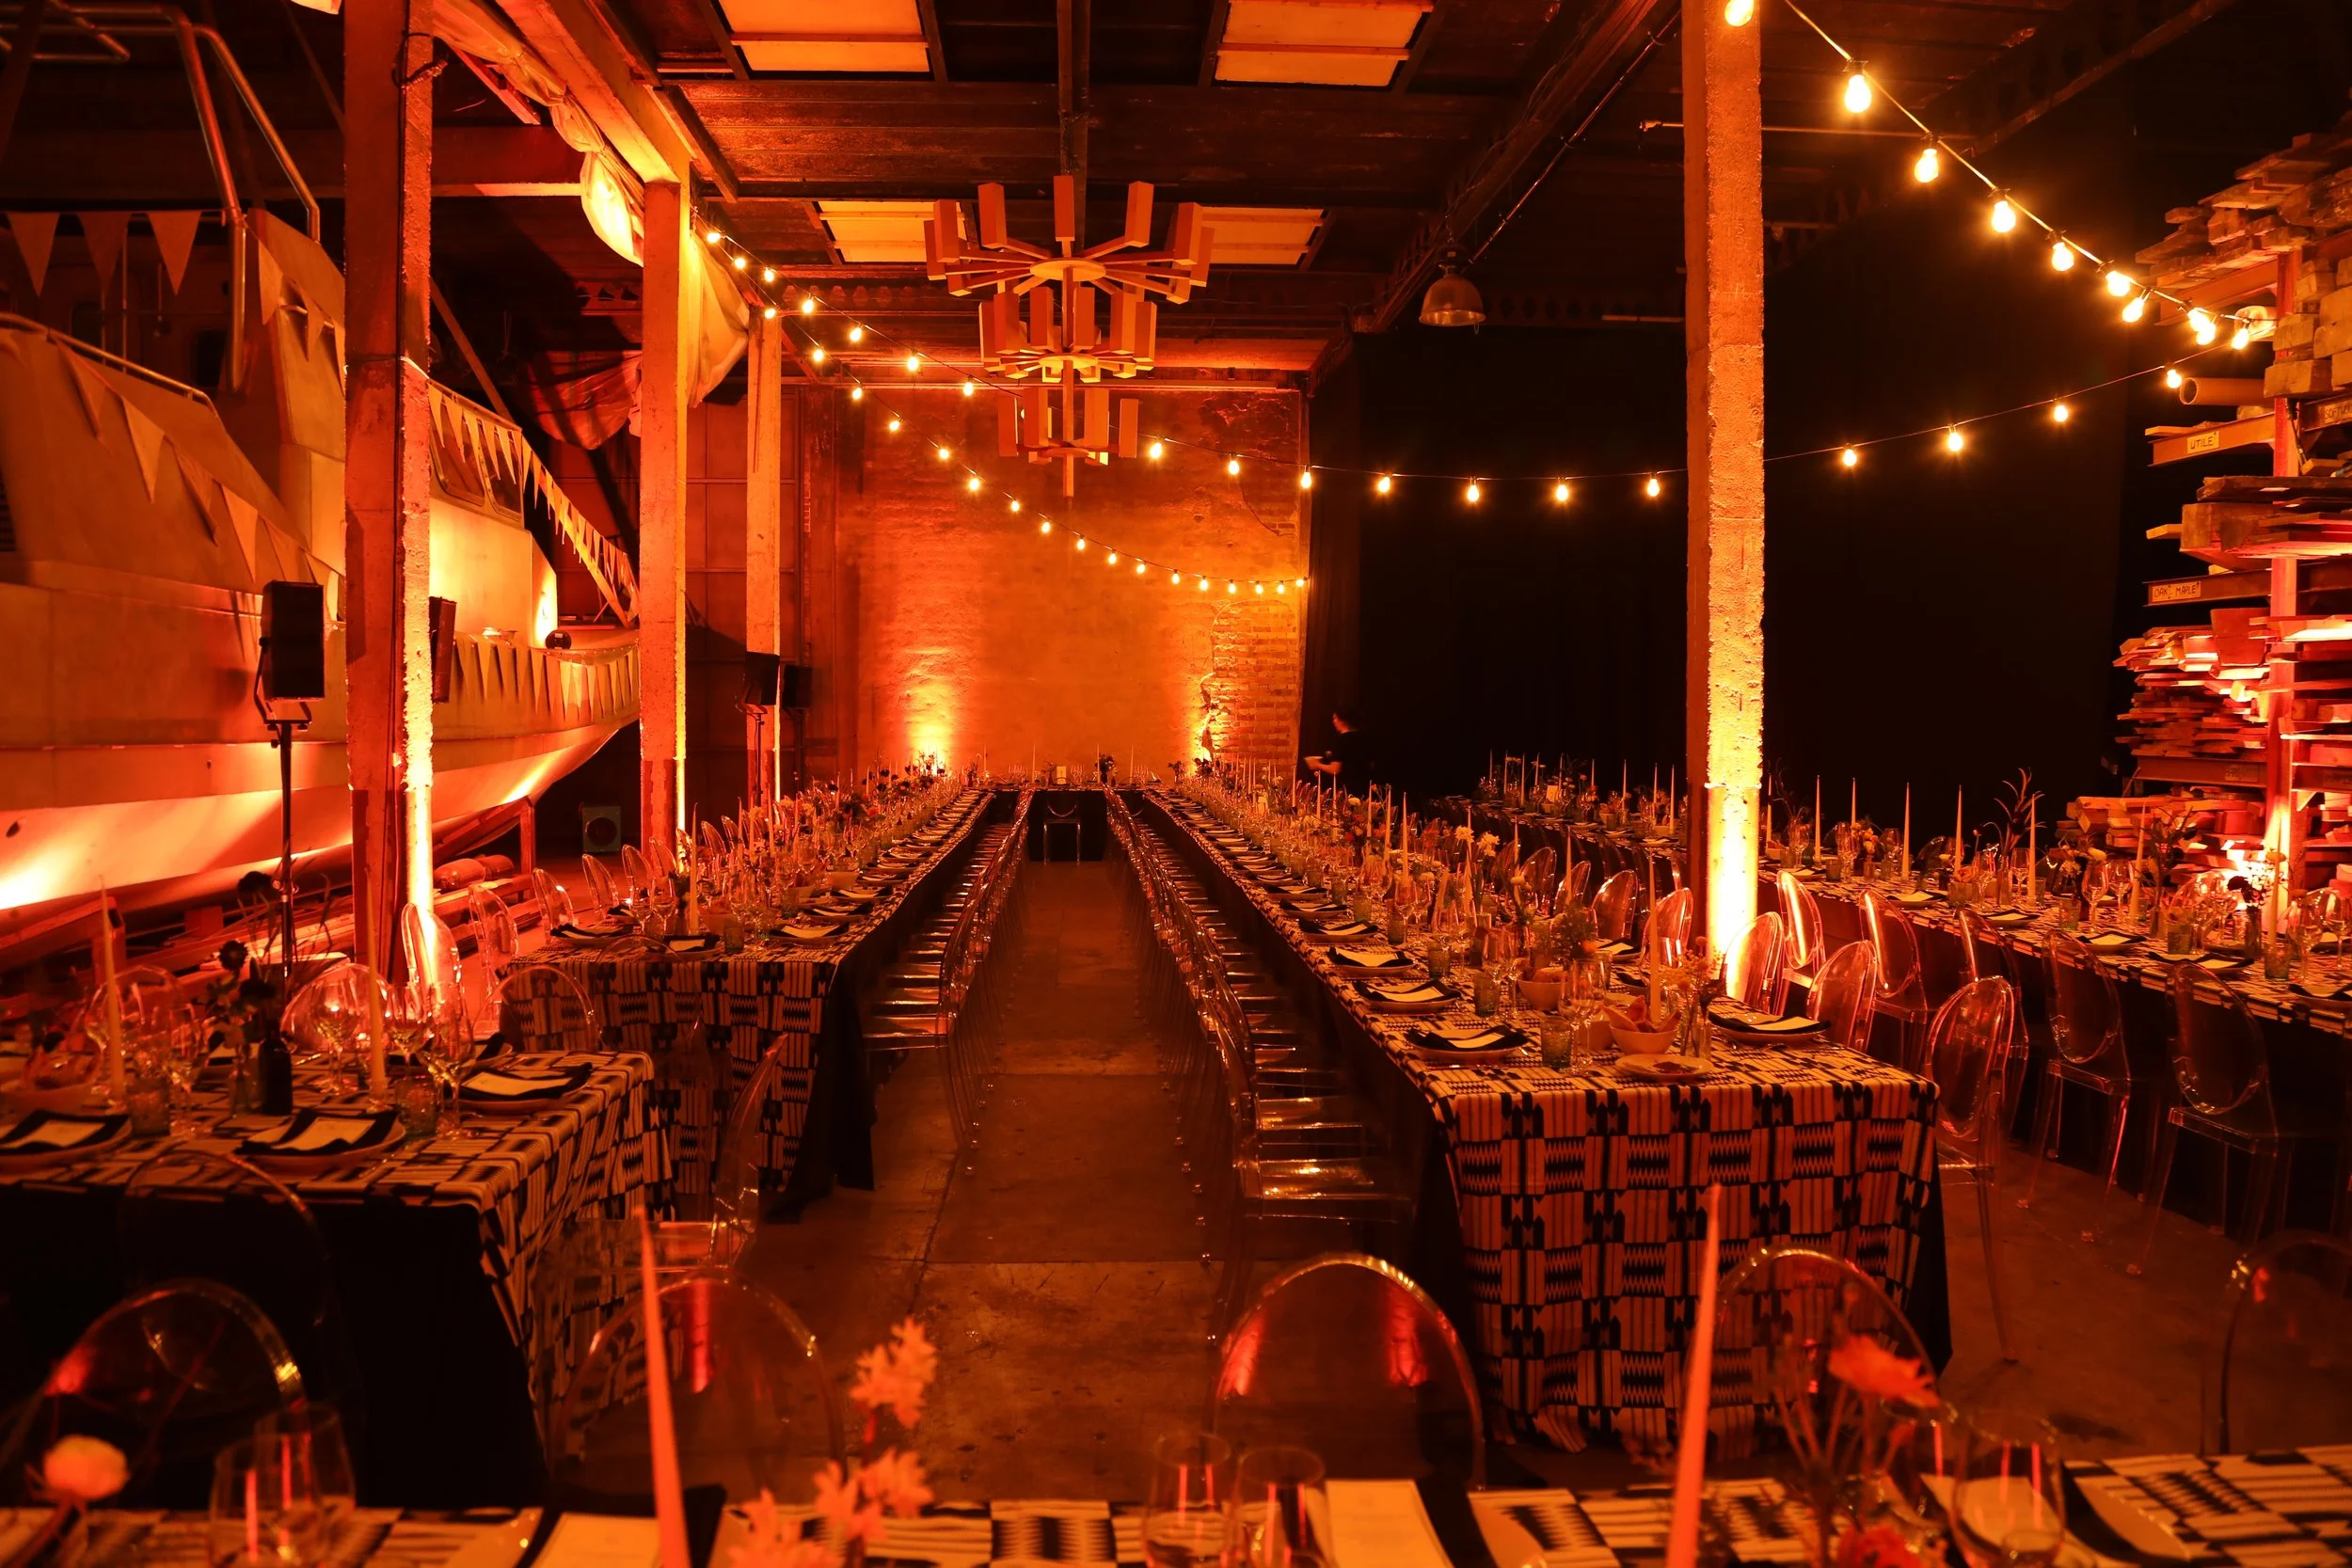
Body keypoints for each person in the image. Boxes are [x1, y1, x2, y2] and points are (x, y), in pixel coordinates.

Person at [1303, 710, 1373, 793]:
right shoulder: (1363, 737)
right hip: (1364, 785)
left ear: (1343, 720)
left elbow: (1335, 769)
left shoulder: (1342, 739)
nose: (1333, 721)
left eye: (1335, 718)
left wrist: (1317, 764)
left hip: (1346, 788)